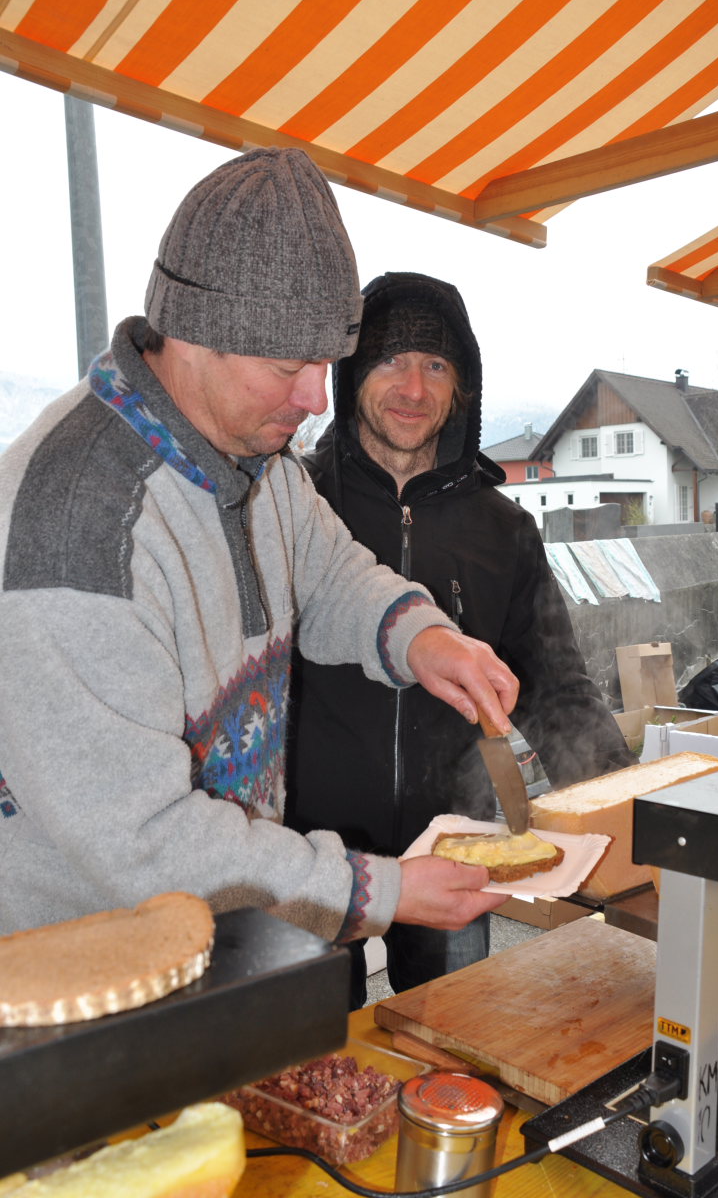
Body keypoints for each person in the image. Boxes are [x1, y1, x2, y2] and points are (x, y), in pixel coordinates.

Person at [0, 151, 519, 943]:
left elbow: (327, 569)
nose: (316, 399)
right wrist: (371, 890)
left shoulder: (254, 453)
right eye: (288, 366)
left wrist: (421, 637)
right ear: (192, 336)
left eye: (325, 363)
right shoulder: (77, 534)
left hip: (224, 934)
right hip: (85, 972)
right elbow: (141, 839)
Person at [286, 271, 635, 1006]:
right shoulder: (293, 504)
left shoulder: (505, 529)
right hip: (311, 850)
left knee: (454, 1037)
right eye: (390, 359)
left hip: (457, 845)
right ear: (351, 374)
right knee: (314, 1051)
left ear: (462, 389)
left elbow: (558, 691)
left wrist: (624, 814)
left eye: (436, 365)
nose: (413, 387)